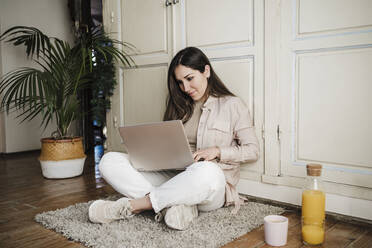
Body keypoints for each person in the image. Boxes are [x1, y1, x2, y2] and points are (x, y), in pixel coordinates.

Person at [88, 47, 259, 230]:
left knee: (207, 171)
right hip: (176, 176)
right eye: (180, 82)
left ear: (206, 71)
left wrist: (217, 152)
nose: (185, 88)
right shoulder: (179, 105)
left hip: (210, 185)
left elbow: (253, 150)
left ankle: (134, 206)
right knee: (109, 160)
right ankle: (176, 205)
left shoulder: (232, 105)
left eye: (189, 78)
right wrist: (148, 150)